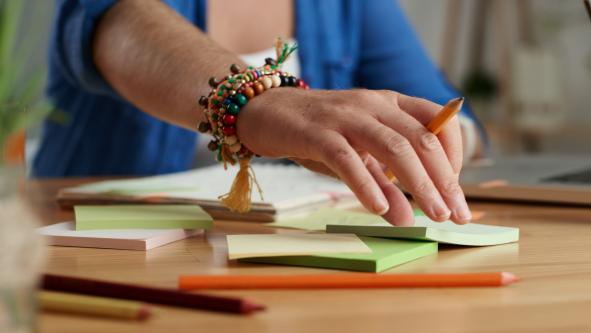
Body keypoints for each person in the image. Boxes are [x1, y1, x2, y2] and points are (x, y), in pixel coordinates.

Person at [35, 0, 484, 226]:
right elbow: (118, 22)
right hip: (99, 255)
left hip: (283, 265)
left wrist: (424, 140)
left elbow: (445, 112)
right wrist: (266, 102)